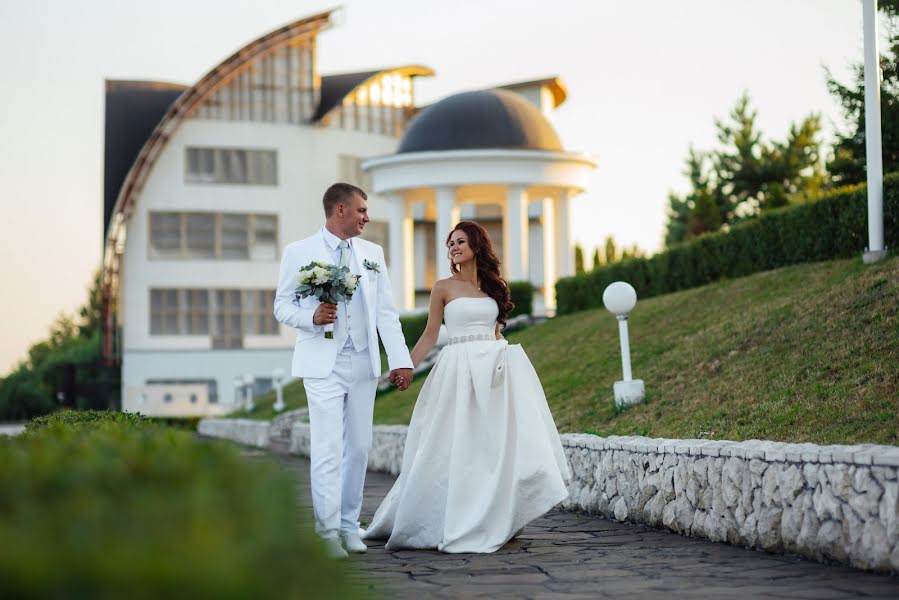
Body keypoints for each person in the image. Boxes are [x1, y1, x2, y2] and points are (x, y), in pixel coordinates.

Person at [363, 221, 570, 553]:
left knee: (491, 447)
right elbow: (431, 334)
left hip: (494, 370)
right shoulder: (443, 287)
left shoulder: (494, 287)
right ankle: (448, 516)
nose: (454, 247)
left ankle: (494, 515)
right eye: (450, 244)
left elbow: (497, 333)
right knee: (454, 442)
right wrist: (406, 366)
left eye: (460, 241)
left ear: (477, 244)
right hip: (457, 371)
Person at [274, 183, 413, 559]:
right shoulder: (299, 252)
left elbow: (386, 312)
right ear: (340, 210)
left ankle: (350, 526)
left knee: (359, 447)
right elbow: (282, 306)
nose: (367, 217)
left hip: (363, 362)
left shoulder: (372, 254)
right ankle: (327, 533)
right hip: (322, 365)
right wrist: (312, 317)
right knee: (327, 447)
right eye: (362, 210)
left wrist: (400, 359)